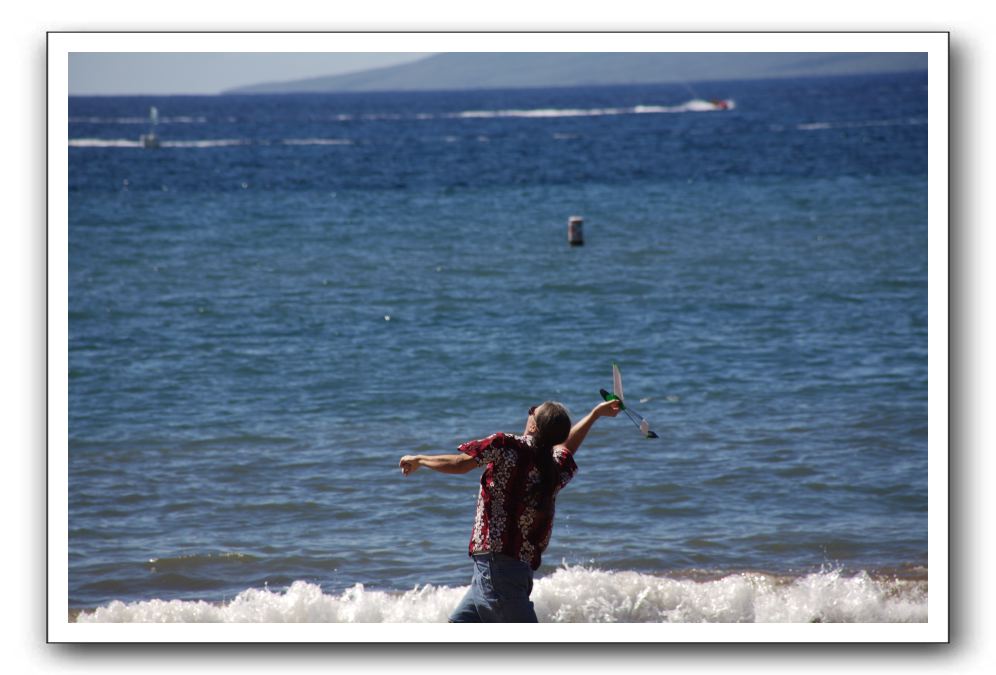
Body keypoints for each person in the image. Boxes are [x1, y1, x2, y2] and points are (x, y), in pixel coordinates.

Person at [398, 398, 621, 622]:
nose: (529, 412)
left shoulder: (506, 445)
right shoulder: (553, 468)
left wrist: (420, 459)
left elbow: (460, 463)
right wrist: (594, 415)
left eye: (532, 411)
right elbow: (566, 448)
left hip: (497, 569)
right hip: (511, 570)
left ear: (533, 425)